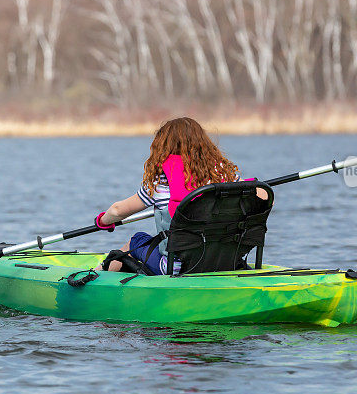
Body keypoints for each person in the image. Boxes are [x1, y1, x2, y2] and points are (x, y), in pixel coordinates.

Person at [94, 117, 245, 276]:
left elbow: (117, 211)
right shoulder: (222, 175)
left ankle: (94, 278)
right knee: (152, 242)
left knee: (136, 241)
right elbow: (262, 194)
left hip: (177, 267)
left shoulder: (160, 184)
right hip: (225, 262)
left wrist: (103, 221)